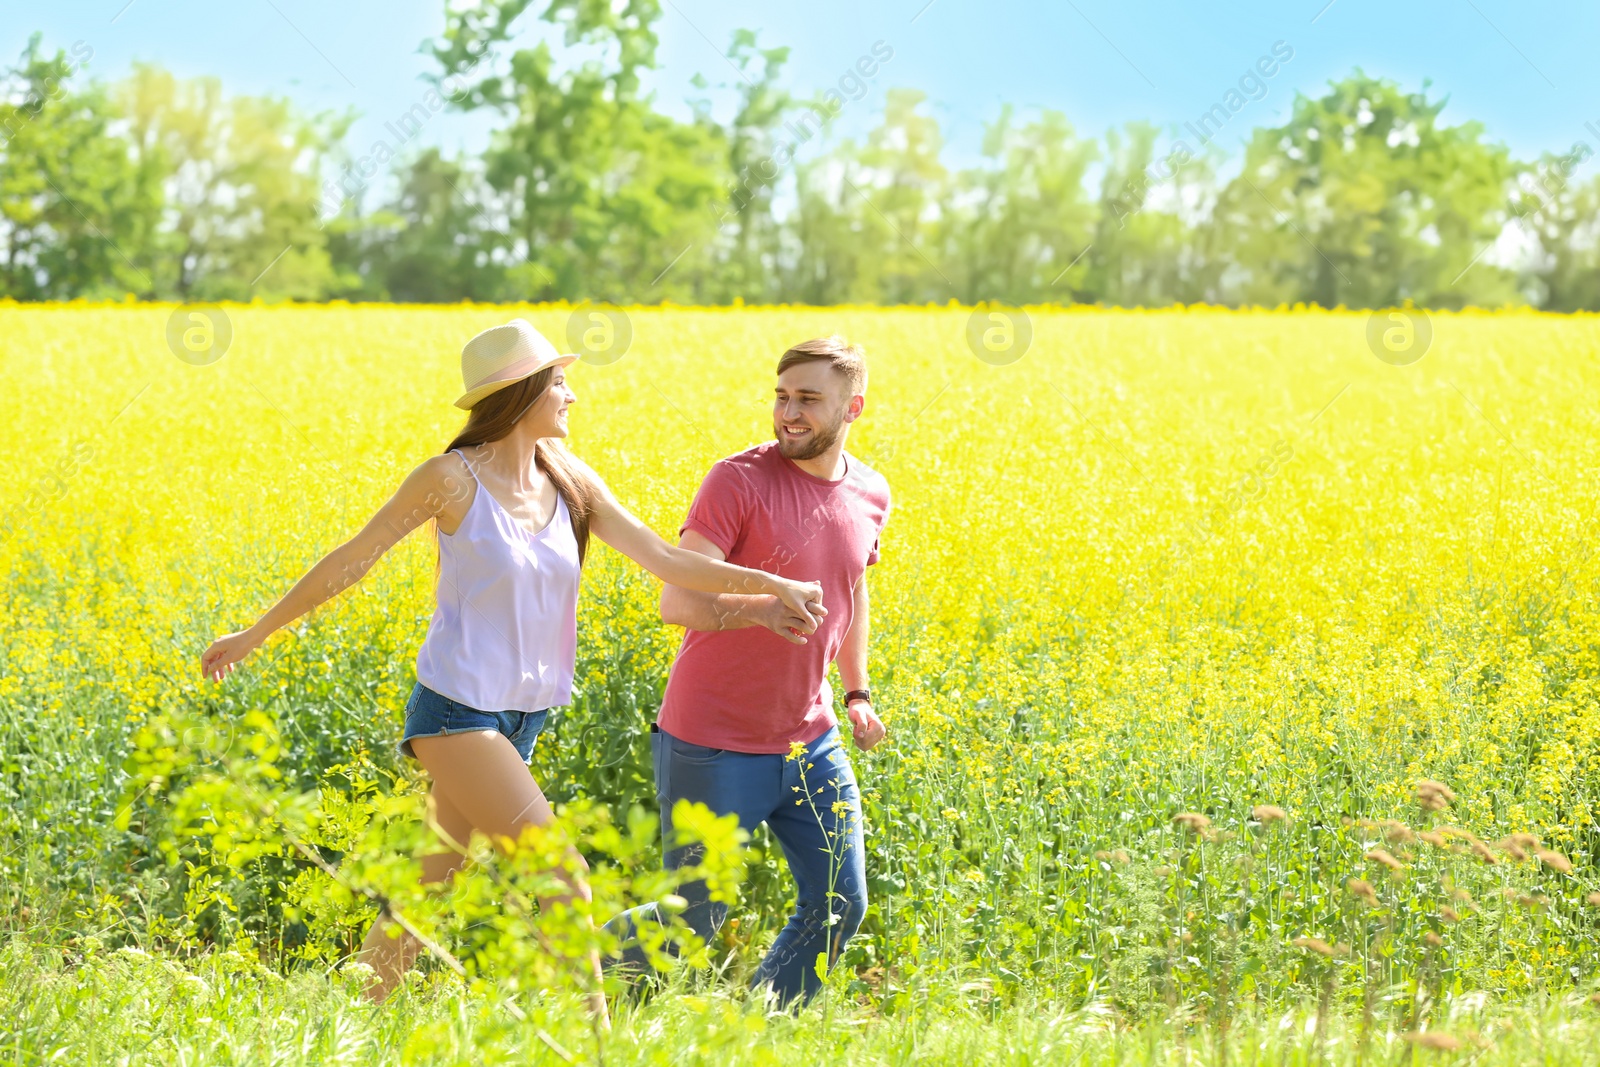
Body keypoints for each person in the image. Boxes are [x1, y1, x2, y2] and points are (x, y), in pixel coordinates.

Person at [197, 319, 826, 1021]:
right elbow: (354, 558)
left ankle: (337, 1027)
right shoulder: (449, 479)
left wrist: (766, 591)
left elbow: (666, 558)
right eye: (558, 381)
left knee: (425, 897)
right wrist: (256, 632)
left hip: (521, 719)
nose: (572, 395)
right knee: (565, 875)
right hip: (457, 716)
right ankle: (596, 1042)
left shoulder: (569, 477)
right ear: (519, 392)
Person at [605, 335, 891, 1008]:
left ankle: (758, 1030)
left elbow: (851, 592)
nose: (789, 413)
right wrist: (761, 610)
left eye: (808, 400)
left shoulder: (871, 490)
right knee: (691, 919)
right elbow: (677, 599)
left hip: (810, 739)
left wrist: (857, 692)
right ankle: (586, 982)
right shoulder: (736, 480)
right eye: (782, 396)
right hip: (712, 739)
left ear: (853, 407)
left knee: (839, 903)